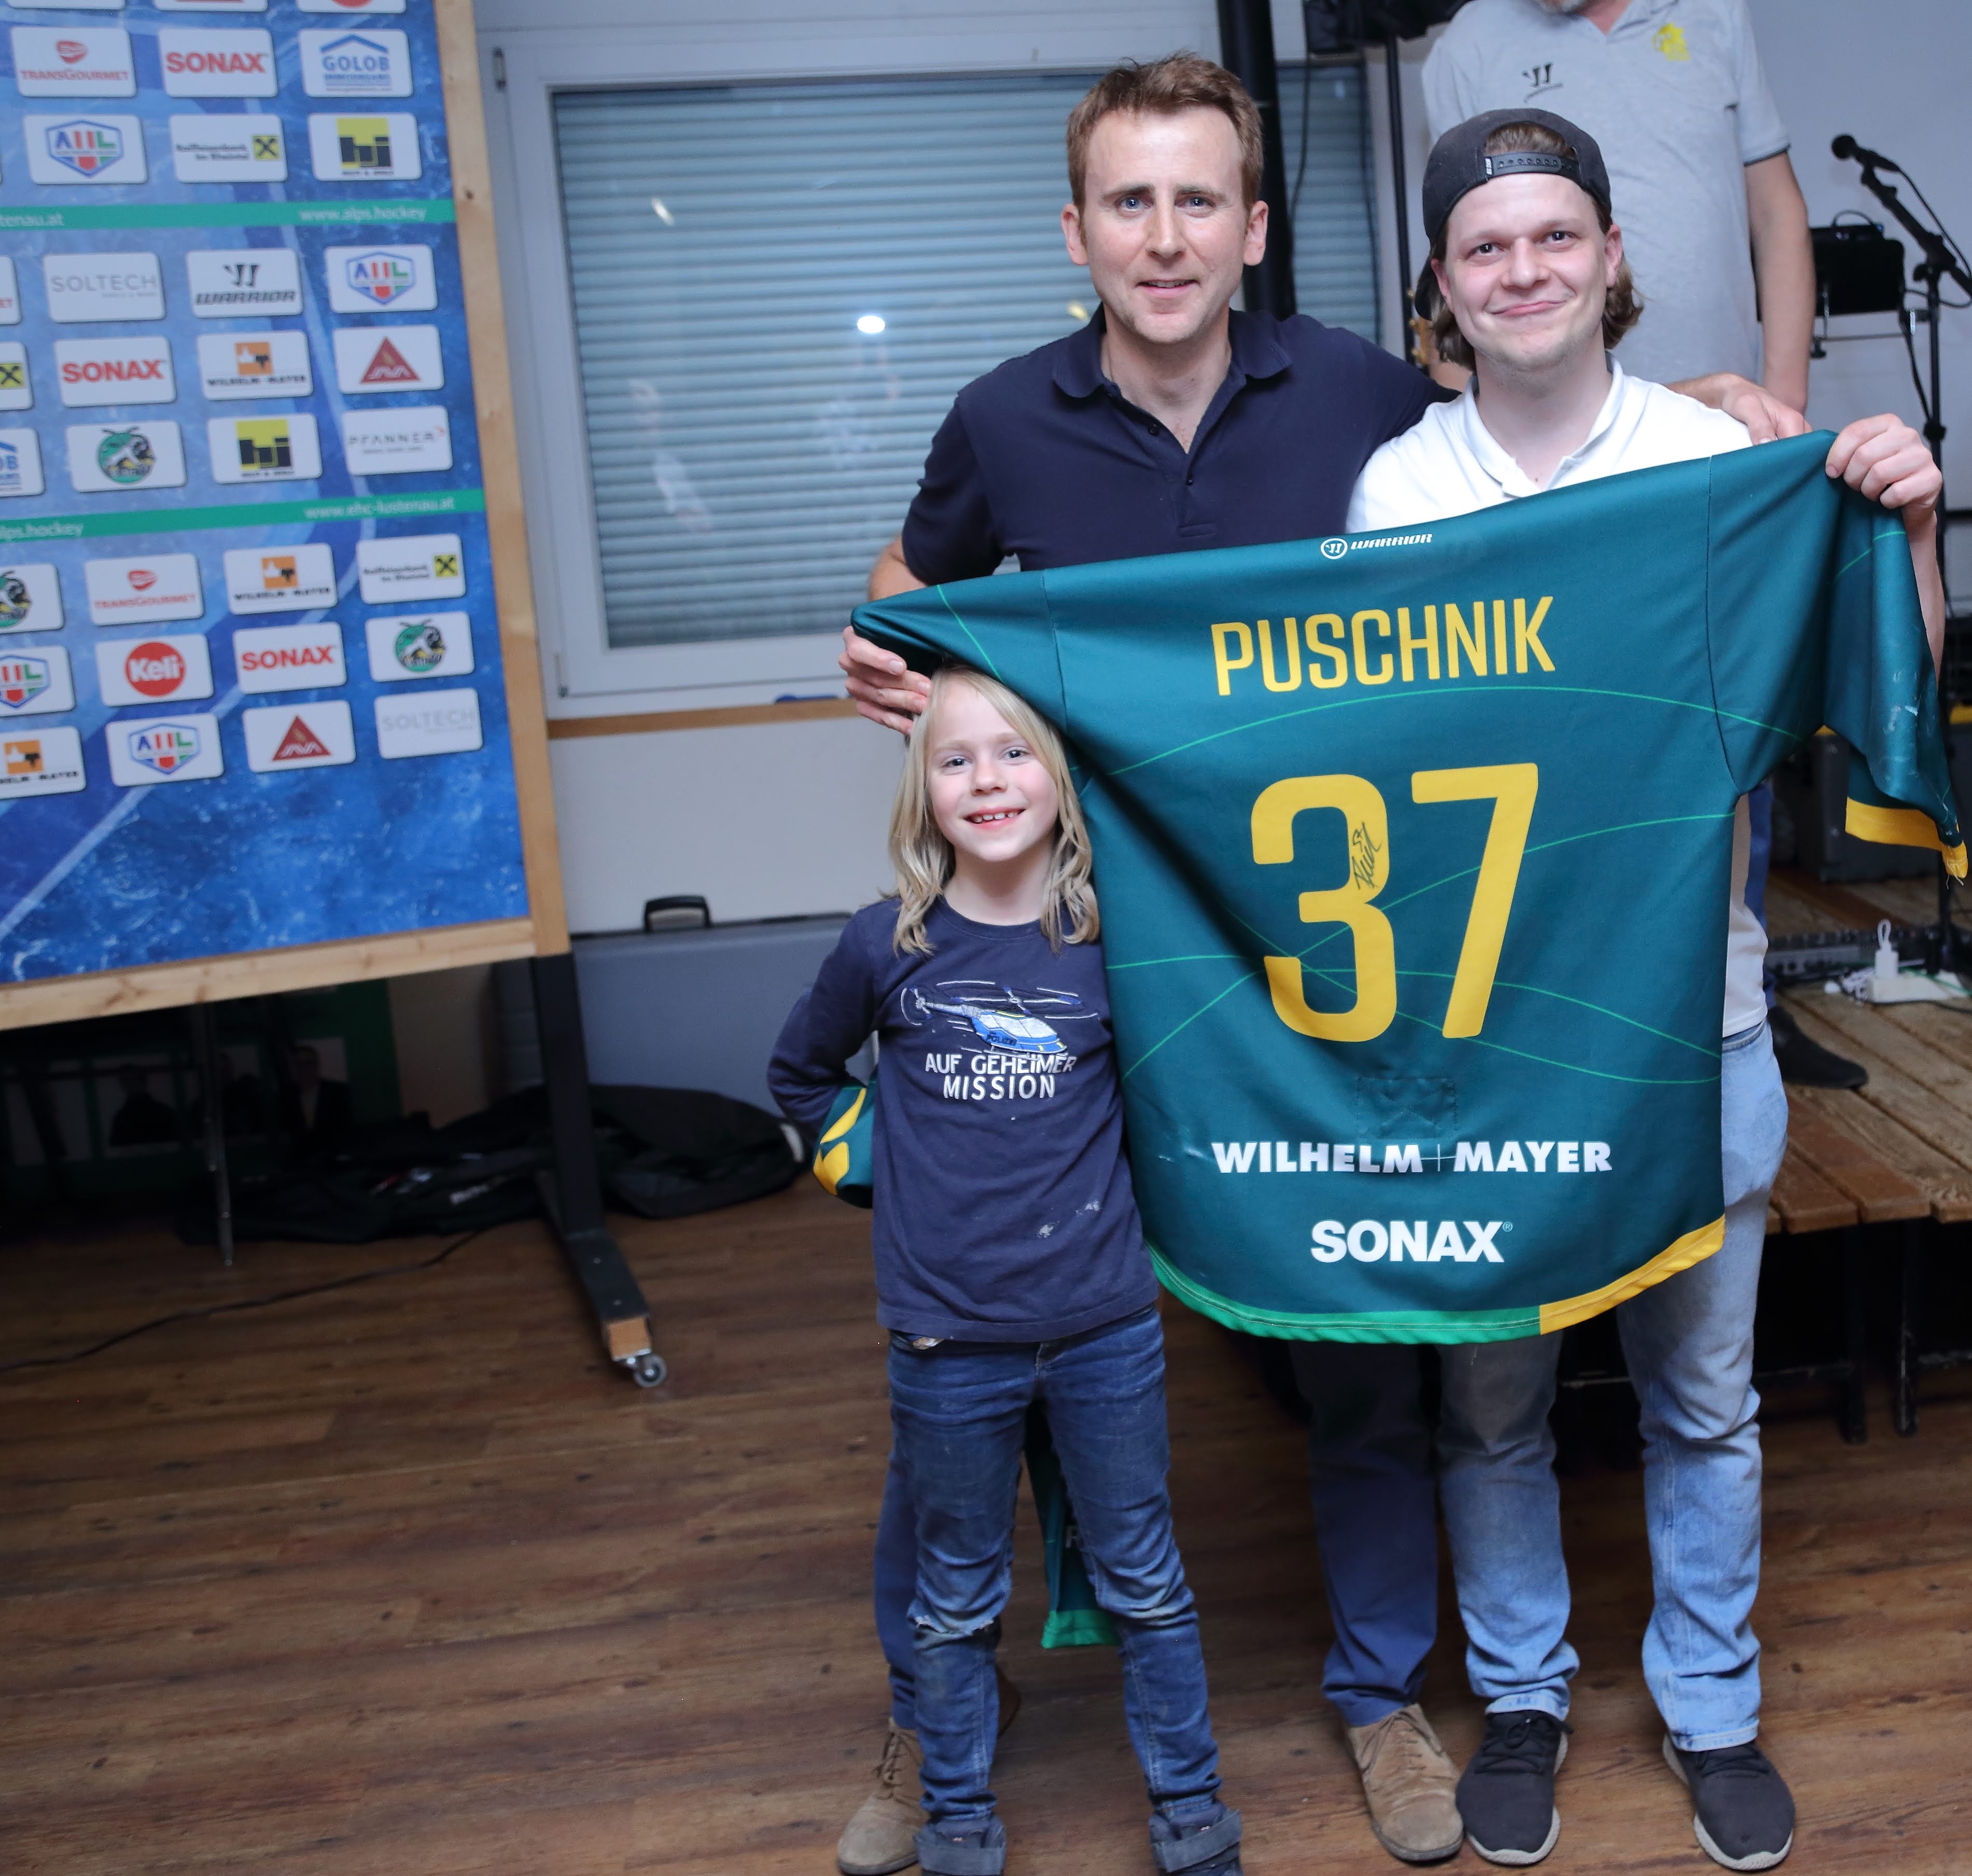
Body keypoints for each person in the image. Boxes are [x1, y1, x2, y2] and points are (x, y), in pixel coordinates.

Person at [833, 50, 1800, 1871]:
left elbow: (1547, 423)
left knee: (1361, 1335)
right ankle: (925, 1706)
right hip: (1076, 969)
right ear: (1075, 229)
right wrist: (884, 649)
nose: (1164, 236)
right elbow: (908, 581)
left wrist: (1730, 414)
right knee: (970, 1341)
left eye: (1198, 198)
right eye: (1129, 201)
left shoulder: (1363, 403)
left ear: (1256, 228)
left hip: (1308, 985)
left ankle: (1379, 1694)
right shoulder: (1003, 416)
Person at [1345, 109, 1942, 1870]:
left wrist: (1907, 524)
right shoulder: (1398, 489)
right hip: (1485, 1041)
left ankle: (1713, 1705)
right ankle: (1520, 1693)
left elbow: (1873, 673)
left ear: (1611, 256)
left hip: (1697, 1022)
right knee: (1492, 1403)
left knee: (1703, 1400)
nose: (1522, 269)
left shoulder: (1712, 456)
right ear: (1441, 284)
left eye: (1555, 235)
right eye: (1485, 245)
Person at [770, 666, 1246, 1876]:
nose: (987, 781)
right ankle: (957, 1822)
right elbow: (800, 1074)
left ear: (1062, 779)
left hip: (1105, 1331)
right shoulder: (884, 943)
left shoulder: (1115, 942)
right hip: (947, 1339)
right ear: (922, 791)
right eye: (956, 759)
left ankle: (1193, 1813)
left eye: (1014, 753)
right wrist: (872, 1165)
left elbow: (1179, 1095)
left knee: (1147, 1582)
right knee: (955, 1600)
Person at [1422, 0, 1864, 1088]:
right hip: (1553, 448)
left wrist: (1780, 415)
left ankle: (1739, 1007)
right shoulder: (1468, 46)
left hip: (1704, 456)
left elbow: (1777, 213)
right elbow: (1465, 249)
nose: (1530, 261)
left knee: (1720, 739)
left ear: (1607, 255)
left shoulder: (1712, 14)